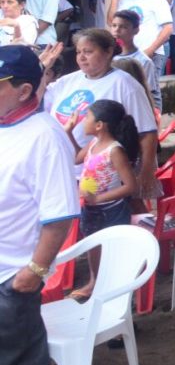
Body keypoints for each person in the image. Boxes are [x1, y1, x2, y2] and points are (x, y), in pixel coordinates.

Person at [0, 45, 78, 365]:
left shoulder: (46, 137)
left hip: (10, 280)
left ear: (24, 91)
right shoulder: (6, 125)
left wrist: (33, 272)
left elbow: (59, 217)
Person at [41, 29, 159, 199]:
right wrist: (42, 67)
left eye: (88, 52)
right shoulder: (68, 81)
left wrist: (147, 171)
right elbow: (36, 99)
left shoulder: (125, 84)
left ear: (108, 52)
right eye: (78, 52)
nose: (81, 57)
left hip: (105, 177)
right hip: (63, 170)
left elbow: (147, 132)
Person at [62, 99, 139, 302]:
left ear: (99, 125)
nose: (83, 121)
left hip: (111, 210)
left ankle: (115, 289)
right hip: (92, 209)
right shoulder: (94, 144)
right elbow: (76, 158)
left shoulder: (114, 150)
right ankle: (95, 282)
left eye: (87, 117)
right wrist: (68, 132)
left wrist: (98, 198)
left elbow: (130, 186)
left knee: (112, 250)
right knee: (93, 246)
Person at [106, 0, 173, 76]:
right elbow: (111, 22)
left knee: (149, 86)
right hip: (127, 53)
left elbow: (168, 29)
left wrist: (150, 50)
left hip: (151, 54)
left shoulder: (159, 1)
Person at [110, 9, 162, 111]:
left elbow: (150, 93)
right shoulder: (107, 57)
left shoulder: (143, 61)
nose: (117, 30)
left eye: (123, 27)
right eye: (114, 25)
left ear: (136, 30)